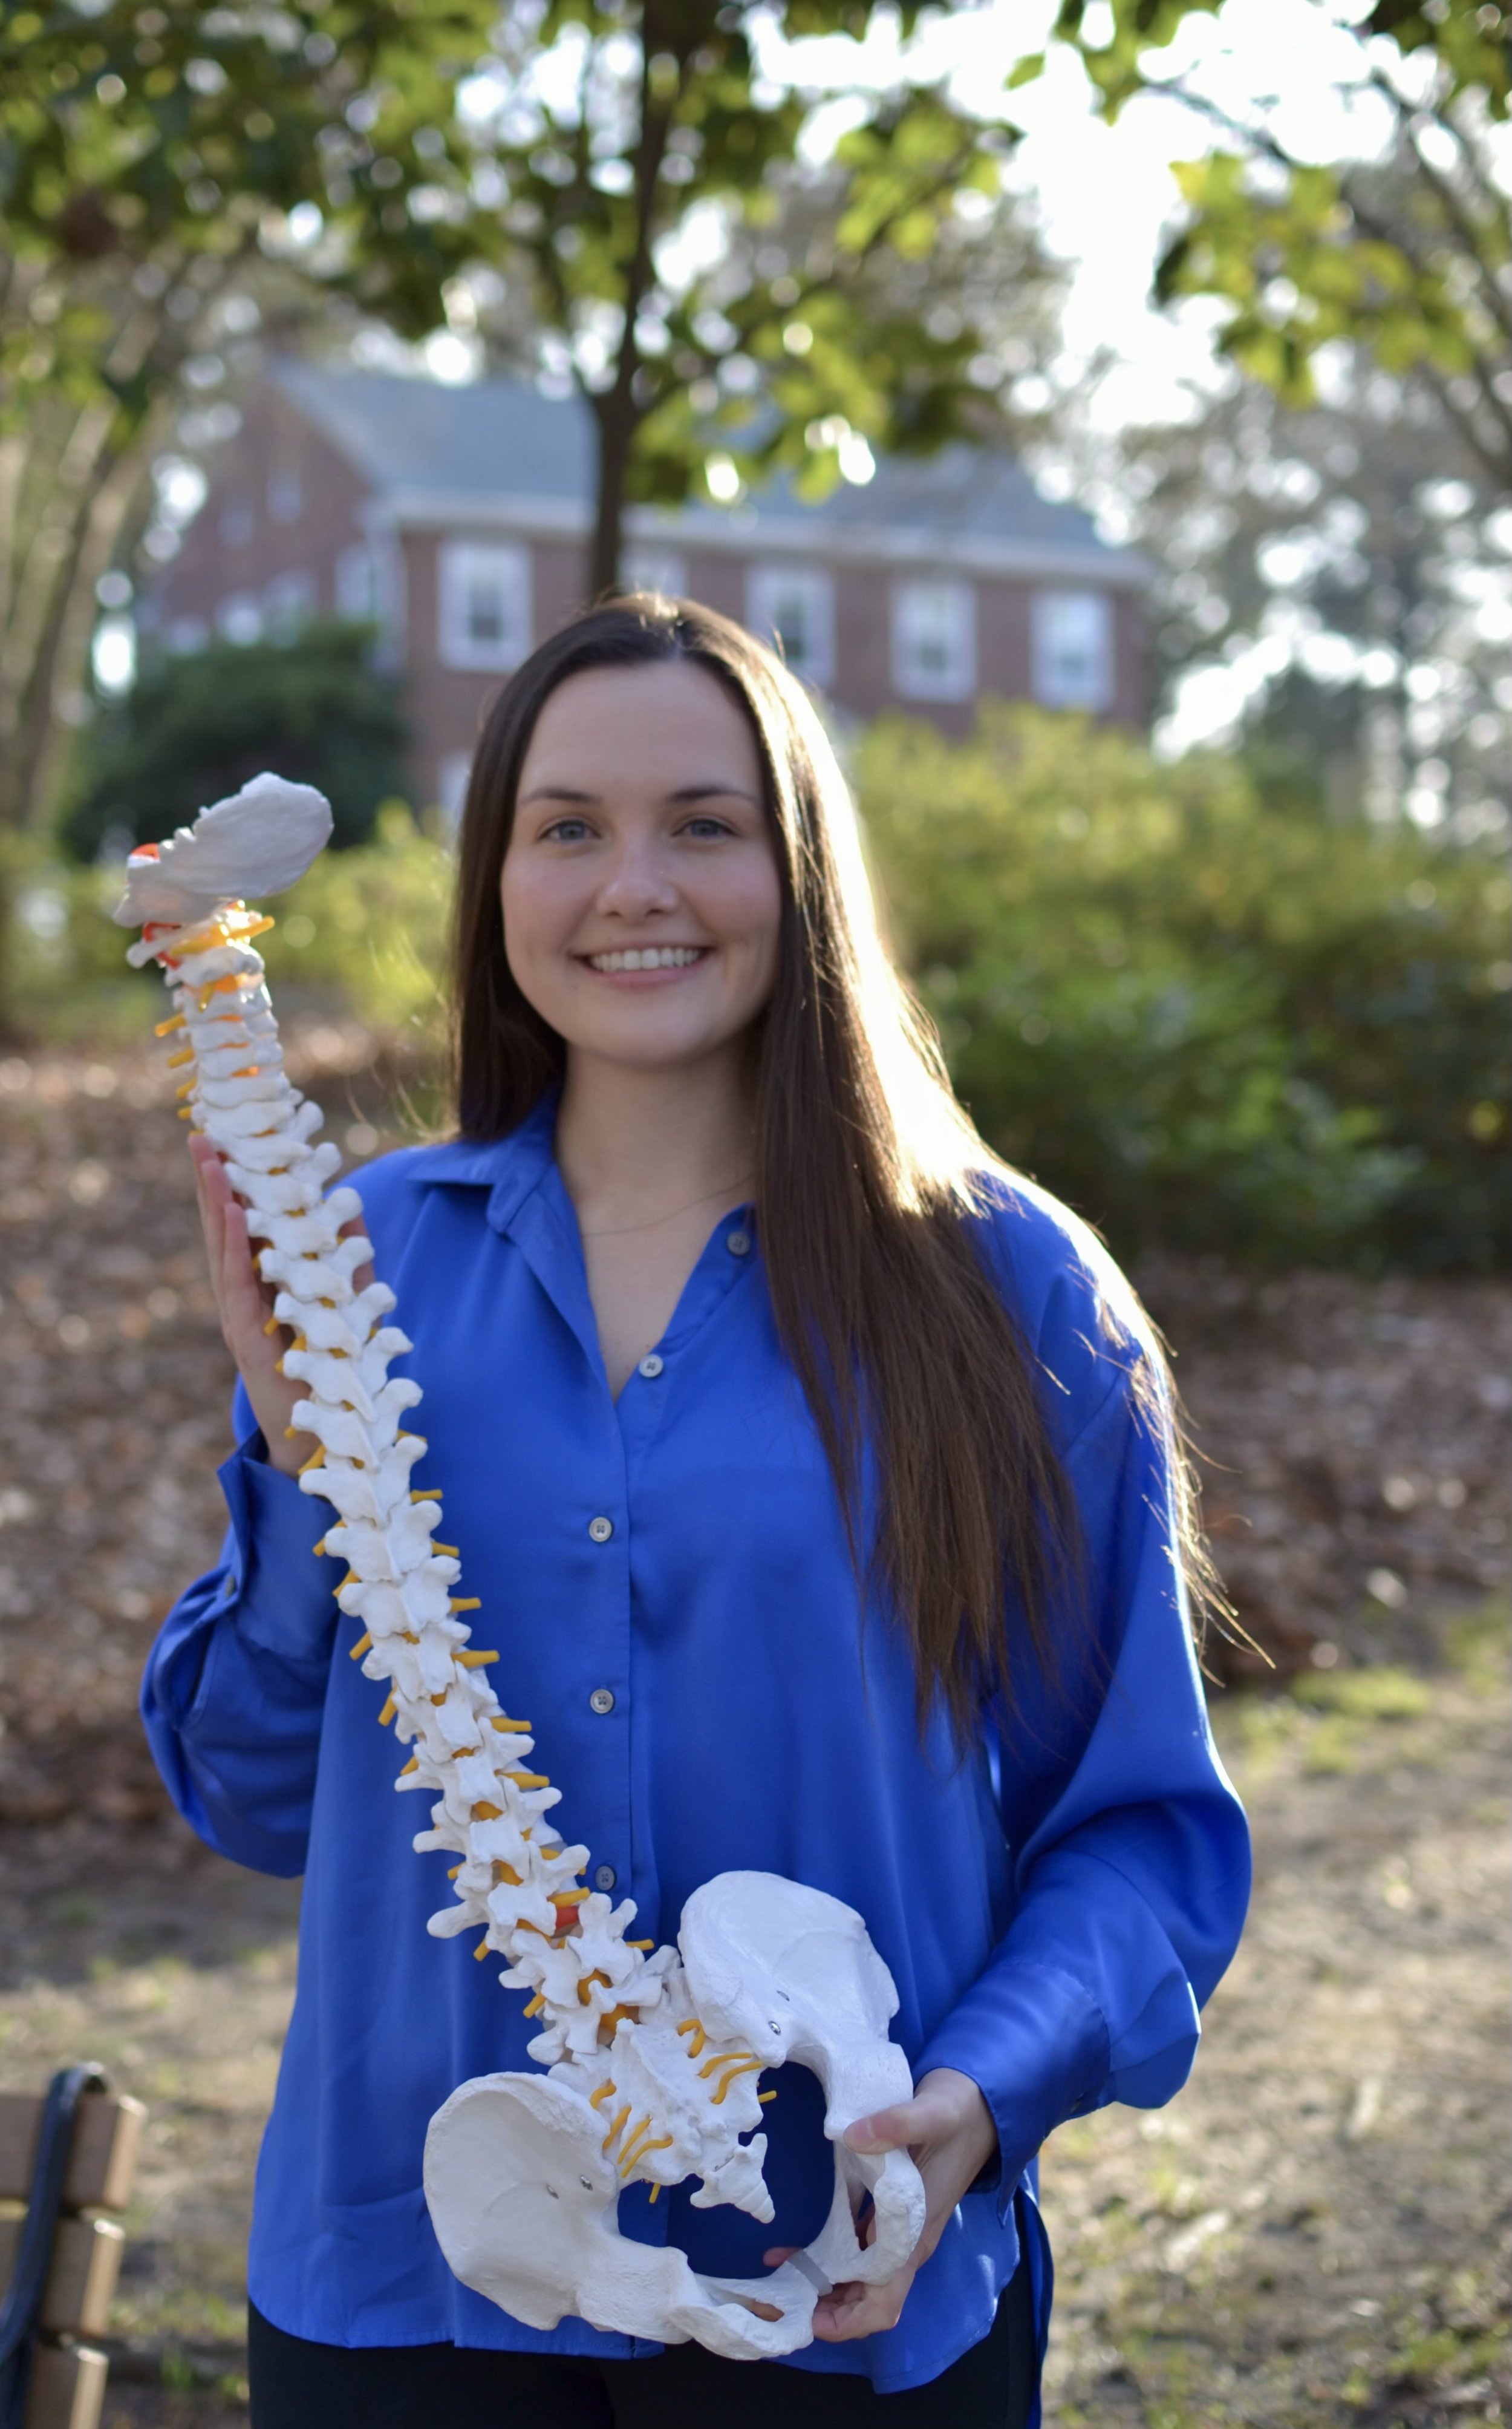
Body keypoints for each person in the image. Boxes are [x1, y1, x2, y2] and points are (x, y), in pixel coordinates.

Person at [143, 596, 1250, 2429]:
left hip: (837, 2295)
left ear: (799, 867)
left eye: (704, 825)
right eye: (566, 826)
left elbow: (1138, 1839)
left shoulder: (1011, 1298)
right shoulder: (359, 1270)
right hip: (406, 2299)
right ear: (497, 880)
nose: (630, 884)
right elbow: (251, 1801)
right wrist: (286, 1453)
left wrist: (974, 2100)